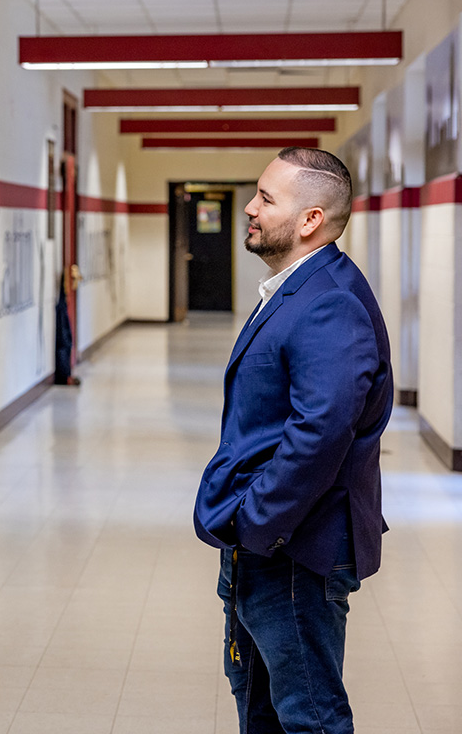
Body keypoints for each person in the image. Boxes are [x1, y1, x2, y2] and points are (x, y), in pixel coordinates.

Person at [193, 147, 393, 733]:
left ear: (310, 219)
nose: (250, 208)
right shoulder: (295, 287)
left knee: (309, 714)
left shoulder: (328, 300)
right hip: (265, 543)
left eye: (265, 198)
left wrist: (255, 523)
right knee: (259, 700)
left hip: (294, 550)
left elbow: (320, 433)